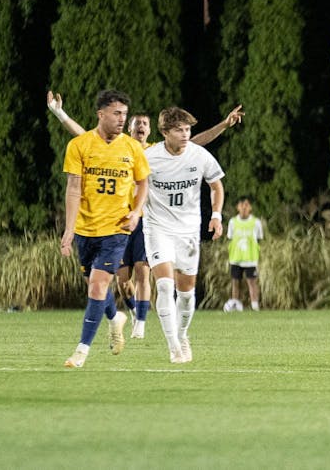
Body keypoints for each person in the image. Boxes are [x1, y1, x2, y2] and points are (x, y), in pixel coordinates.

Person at [47, 91, 242, 339]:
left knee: (146, 273)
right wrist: (59, 113)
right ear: (129, 128)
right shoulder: (126, 149)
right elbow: (83, 136)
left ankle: (143, 325)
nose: (140, 127)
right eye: (135, 123)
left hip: (146, 222)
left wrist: (224, 125)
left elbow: (194, 144)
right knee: (122, 280)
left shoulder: (150, 151)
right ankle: (128, 315)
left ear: (151, 130)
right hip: (121, 220)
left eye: (144, 124)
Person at [61, 89, 150, 368]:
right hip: (87, 229)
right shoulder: (79, 145)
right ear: (101, 114)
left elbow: (143, 183)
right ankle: (115, 319)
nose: (122, 119)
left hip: (117, 229)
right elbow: (74, 189)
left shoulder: (133, 148)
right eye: (116, 113)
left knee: (99, 286)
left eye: (124, 113)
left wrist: (136, 211)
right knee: (93, 285)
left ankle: (81, 351)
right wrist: (69, 229)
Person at [143, 107, 226, 363]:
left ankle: (182, 335)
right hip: (157, 228)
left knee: (187, 292)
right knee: (165, 286)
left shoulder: (199, 155)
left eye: (188, 129)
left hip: (188, 230)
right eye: (179, 129)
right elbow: (136, 186)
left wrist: (216, 215)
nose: (185, 134)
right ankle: (173, 347)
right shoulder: (149, 157)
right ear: (165, 132)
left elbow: (216, 186)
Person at [225, 196, 265, 312]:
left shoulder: (256, 222)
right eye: (241, 205)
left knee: (252, 282)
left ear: (250, 207)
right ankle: (235, 305)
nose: (244, 208)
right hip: (236, 258)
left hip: (250, 259)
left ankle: (255, 306)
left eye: (246, 205)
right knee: (235, 282)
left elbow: (259, 239)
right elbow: (230, 237)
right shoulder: (233, 222)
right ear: (237, 207)